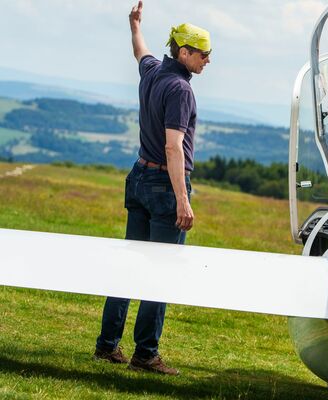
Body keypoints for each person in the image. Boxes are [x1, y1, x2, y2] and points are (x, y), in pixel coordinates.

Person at [93, 1, 211, 375]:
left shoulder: (153, 72)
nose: (208, 61)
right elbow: (173, 147)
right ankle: (145, 353)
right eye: (204, 54)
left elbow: (140, 52)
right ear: (185, 51)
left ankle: (107, 345)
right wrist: (182, 200)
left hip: (139, 178)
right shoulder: (180, 89)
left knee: (130, 264)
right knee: (161, 271)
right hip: (163, 184)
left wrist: (135, 26)